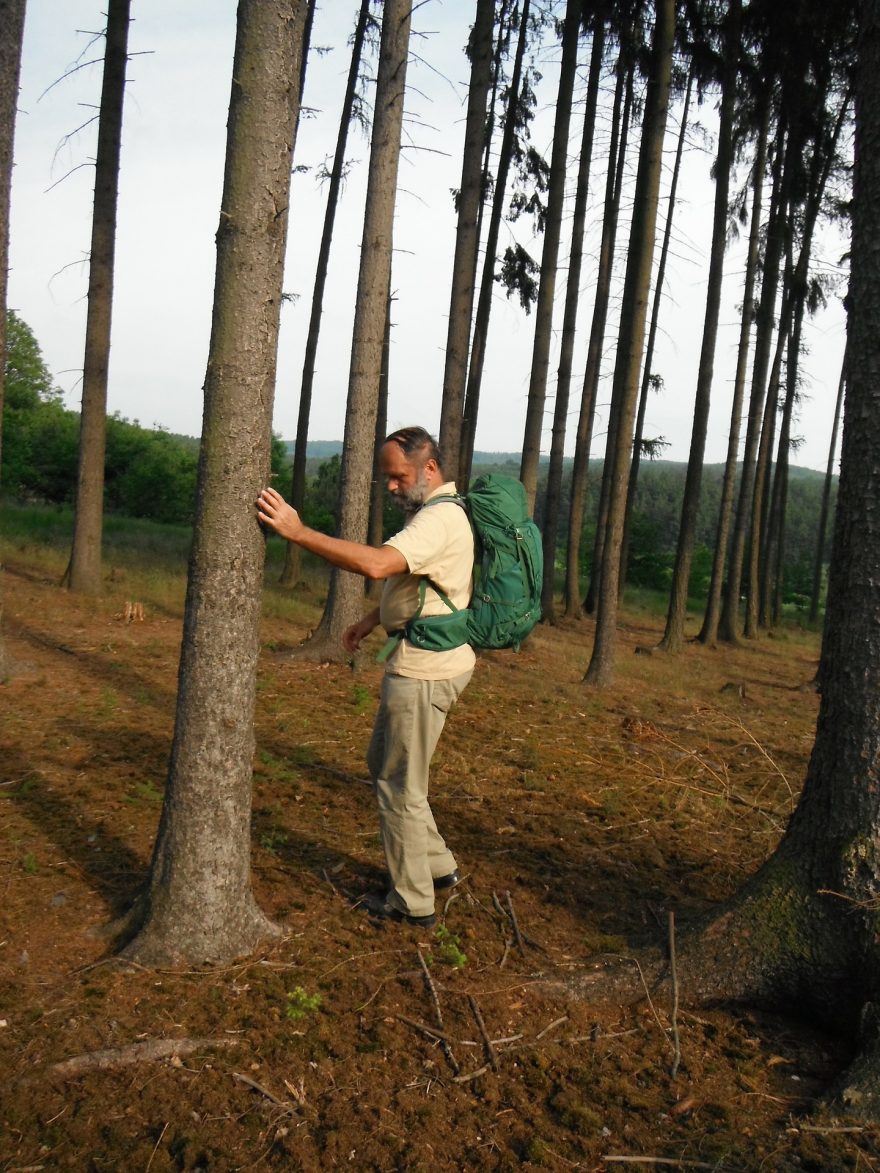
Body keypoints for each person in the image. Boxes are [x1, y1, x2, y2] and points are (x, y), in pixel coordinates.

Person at [256, 427, 475, 927]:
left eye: (398, 476)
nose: (391, 487)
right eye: (386, 479)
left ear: (430, 468)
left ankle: (412, 902)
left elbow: (378, 566)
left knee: (398, 783)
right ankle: (436, 865)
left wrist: (298, 532)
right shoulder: (438, 512)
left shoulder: (438, 519)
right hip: (427, 660)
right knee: (387, 766)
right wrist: (374, 619)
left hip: (424, 670)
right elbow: (423, 582)